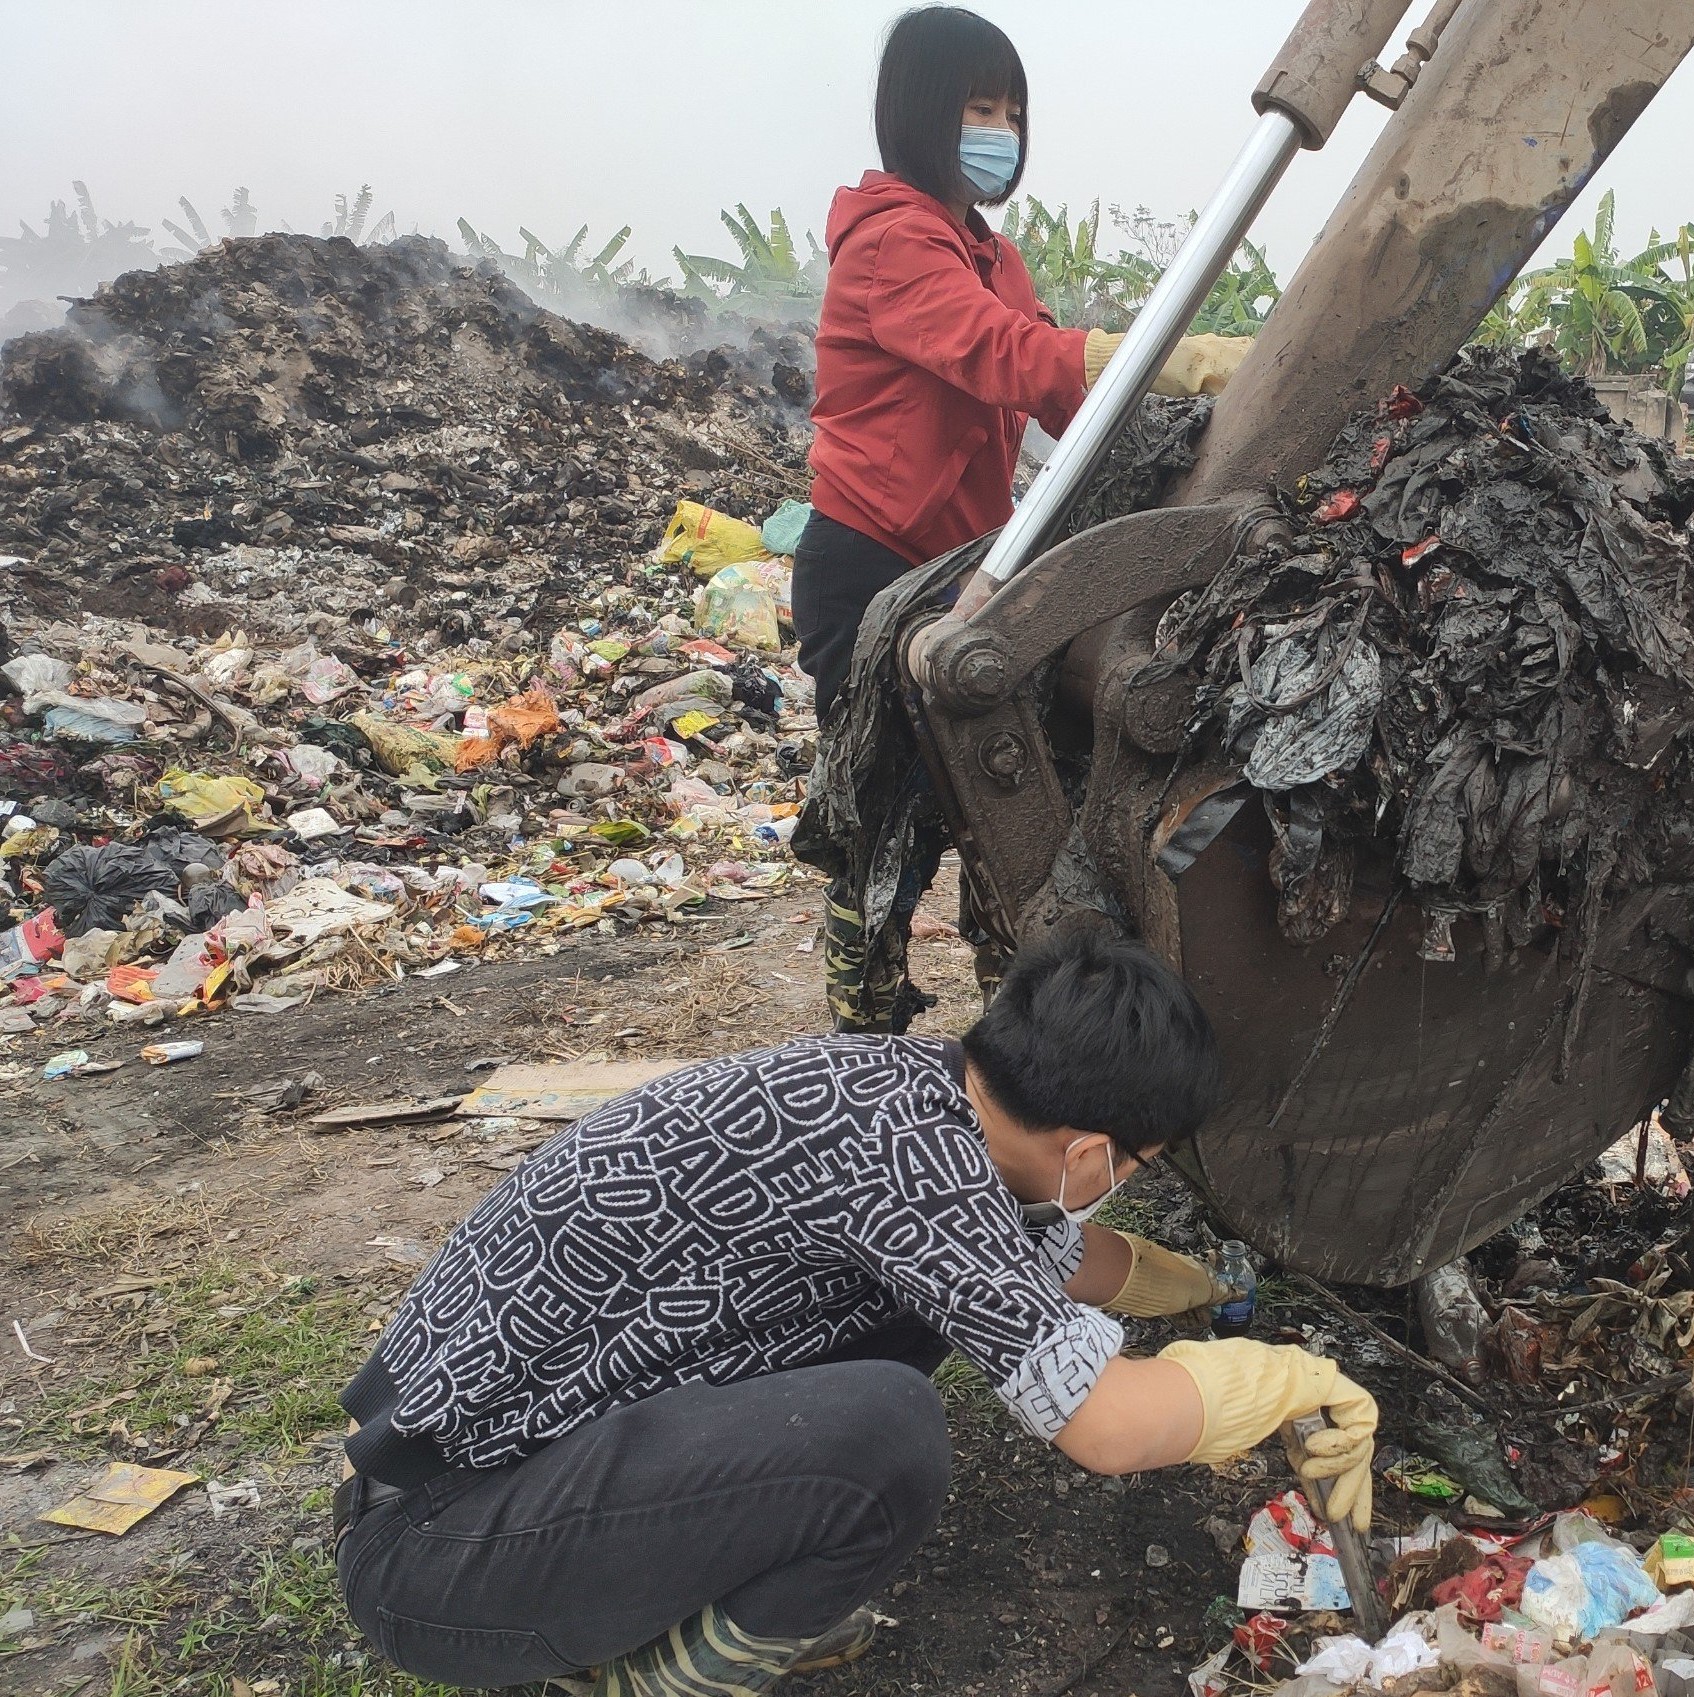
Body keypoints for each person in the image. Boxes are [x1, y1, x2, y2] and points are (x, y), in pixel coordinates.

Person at [334, 929, 1378, 1696]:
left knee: (915, 1328)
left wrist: (1196, 1284)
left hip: (448, 1472)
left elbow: (1052, 1259)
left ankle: (658, 1579)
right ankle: (648, 1675)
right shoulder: (920, 1177)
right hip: (436, 1556)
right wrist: (1293, 1375)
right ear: (1093, 1152)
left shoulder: (907, 1094)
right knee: (883, 1433)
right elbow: (1108, 1426)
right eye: (1138, 1162)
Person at [797, 5, 1249, 1033]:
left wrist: (1194, 420)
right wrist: (1173, 355)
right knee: (889, 816)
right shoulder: (889, 247)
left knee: (1004, 798)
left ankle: (1017, 1011)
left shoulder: (989, 255)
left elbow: (1052, 395)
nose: (998, 128)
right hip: (871, 563)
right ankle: (865, 1034)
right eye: (976, 107)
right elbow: (1002, 354)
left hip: (971, 566)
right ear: (920, 115)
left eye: (1010, 109)